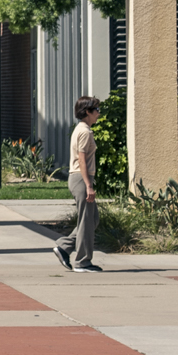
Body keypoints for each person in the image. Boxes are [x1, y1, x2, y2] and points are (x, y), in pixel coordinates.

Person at [53, 95, 102, 272]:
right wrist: (89, 185)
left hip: (79, 178)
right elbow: (82, 160)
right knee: (87, 219)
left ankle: (64, 246)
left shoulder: (81, 129)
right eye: (96, 110)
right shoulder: (85, 132)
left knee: (91, 219)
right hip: (81, 179)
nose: (98, 114)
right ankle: (83, 261)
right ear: (87, 111)